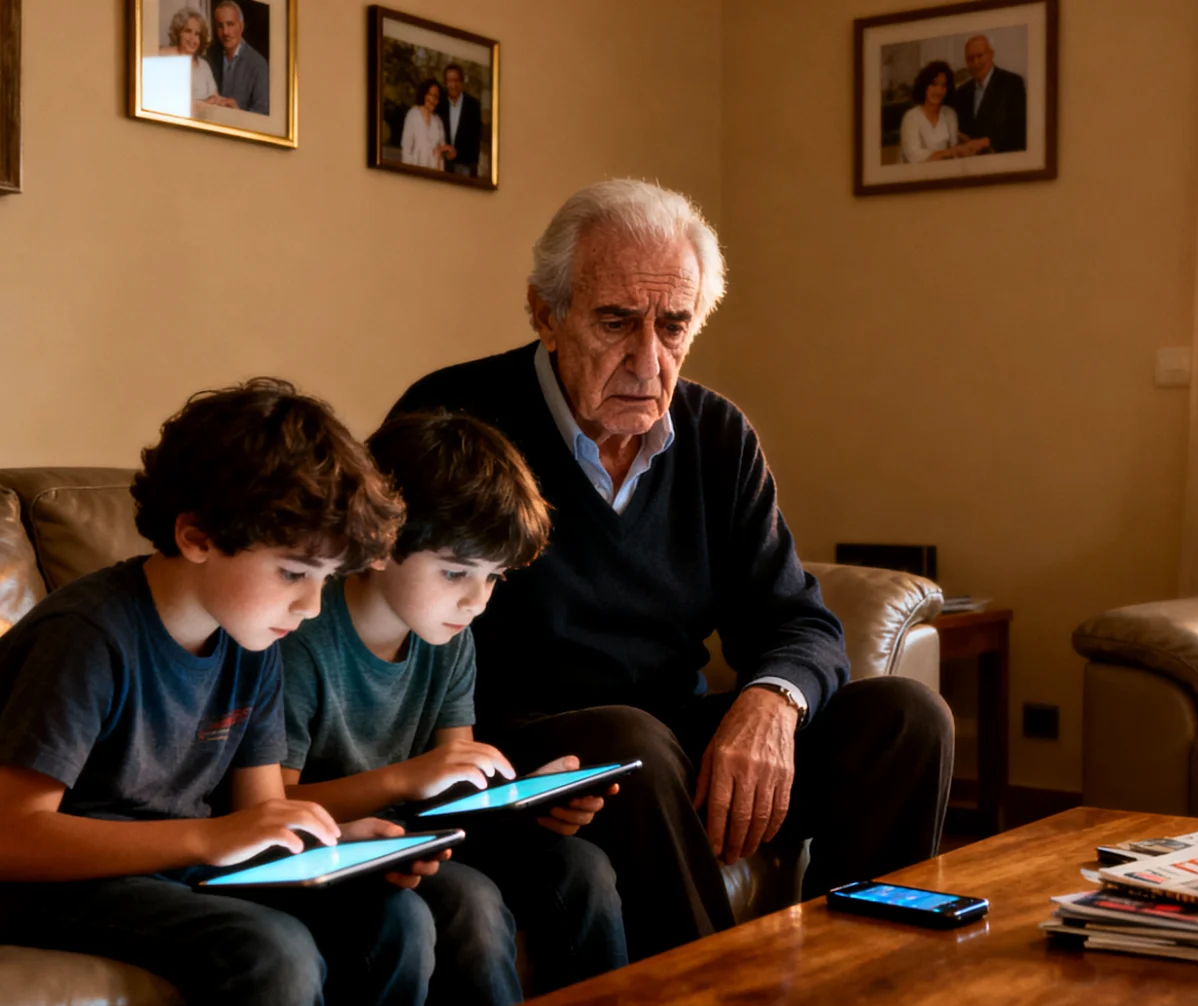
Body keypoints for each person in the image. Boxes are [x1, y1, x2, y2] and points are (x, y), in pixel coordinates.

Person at [388, 179, 954, 961]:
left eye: (673, 325)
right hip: (512, 746)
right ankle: (719, 992)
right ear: (546, 314)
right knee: (633, 739)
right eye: (617, 322)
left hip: (668, 745)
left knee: (907, 718)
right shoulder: (455, 420)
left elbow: (799, 621)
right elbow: (383, 625)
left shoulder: (716, 435)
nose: (648, 359)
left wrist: (770, 703)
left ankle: (868, 977)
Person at [0, 379, 436, 1006]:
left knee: (396, 921)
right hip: (22, 884)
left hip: (163, 868)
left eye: (325, 580)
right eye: (294, 573)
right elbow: (4, 842)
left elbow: (262, 812)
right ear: (196, 537)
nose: (309, 607)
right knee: (271, 951)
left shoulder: (254, 644)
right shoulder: (85, 636)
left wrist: (336, 844)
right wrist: (209, 839)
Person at [280, 409, 628, 1006]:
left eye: (493, 578)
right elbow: (271, 806)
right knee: (471, 903)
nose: (475, 600)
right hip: (335, 851)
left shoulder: (448, 635)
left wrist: (518, 803)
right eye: (455, 573)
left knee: (582, 867)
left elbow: (449, 776)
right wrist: (405, 779)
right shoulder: (303, 636)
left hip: (418, 835)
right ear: (382, 545)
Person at [948, 34, 1026, 155]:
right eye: (970, 59)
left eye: (980, 56)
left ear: (991, 54)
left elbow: (1019, 129)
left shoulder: (1012, 83)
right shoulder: (961, 93)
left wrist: (987, 142)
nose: (975, 62)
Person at [899, 60, 979, 163]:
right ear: (924, 86)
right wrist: (948, 152)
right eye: (934, 84)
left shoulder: (949, 114)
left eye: (943, 86)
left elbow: (954, 149)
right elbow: (914, 157)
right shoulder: (910, 118)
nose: (938, 91)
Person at [208, 0, 268, 114]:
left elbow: (262, 112)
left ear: (241, 26)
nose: (225, 32)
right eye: (220, 26)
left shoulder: (258, 64)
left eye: (230, 24)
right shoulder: (210, 56)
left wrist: (238, 113)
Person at [161, 8, 218, 106]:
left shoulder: (204, 66)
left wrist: (212, 101)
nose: (193, 39)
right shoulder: (166, 57)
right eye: (188, 31)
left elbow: (215, 97)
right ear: (178, 33)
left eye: (197, 34)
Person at [438, 64, 483, 177]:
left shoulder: (473, 106)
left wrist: (457, 154)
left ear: (462, 82)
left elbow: (476, 141)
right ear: (445, 83)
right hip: (443, 166)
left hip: (465, 167)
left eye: (455, 80)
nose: (452, 85)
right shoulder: (441, 105)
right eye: (449, 81)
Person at [401, 78, 447, 169]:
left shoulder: (438, 122)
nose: (433, 100)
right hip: (415, 170)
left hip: (433, 173)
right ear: (424, 95)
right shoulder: (413, 115)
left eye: (437, 97)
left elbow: (441, 152)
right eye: (431, 95)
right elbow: (406, 149)